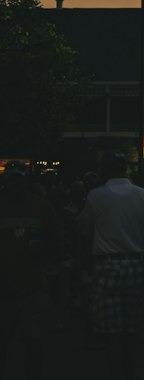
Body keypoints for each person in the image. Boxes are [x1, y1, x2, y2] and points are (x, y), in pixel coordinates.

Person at [78, 151, 144, 380]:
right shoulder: (143, 195)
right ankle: (131, 371)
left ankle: (116, 372)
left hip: (106, 265)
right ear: (126, 169)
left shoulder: (96, 196)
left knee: (111, 328)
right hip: (136, 263)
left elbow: (84, 229)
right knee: (132, 327)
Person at [0, 162, 57, 380]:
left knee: (34, 344)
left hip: (33, 286)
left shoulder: (43, 207)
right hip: (5, 290)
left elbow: (54, 244)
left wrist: (43, 249)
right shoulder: (40, 206)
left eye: (19, 178)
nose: (16, 183)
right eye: (12, 178)